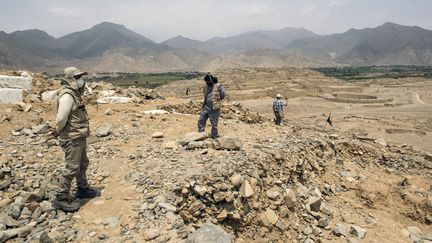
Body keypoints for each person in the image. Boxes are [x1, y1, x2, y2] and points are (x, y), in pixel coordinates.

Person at [51, 67, 99, 212]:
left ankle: (82, 188)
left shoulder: (75, 94)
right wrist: (58, 130)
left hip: (79, 135)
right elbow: (61, 117)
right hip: (72, 137)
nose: (80, 80)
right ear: (71, 79)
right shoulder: (67, 95)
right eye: (77, 77)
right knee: (72, 167)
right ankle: (61, 197)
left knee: (83, 163)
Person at [198, 74, 225, 139]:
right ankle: (201, 135)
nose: (207, 83)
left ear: (211, 80)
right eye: (206, 81)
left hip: (214, 108)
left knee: (214, 123)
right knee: (201, 120)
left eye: (208, 81)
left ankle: (214, 136)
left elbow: (223, 94)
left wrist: (217, 101)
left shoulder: (218, 86)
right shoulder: (206, 86)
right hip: (206, 107)